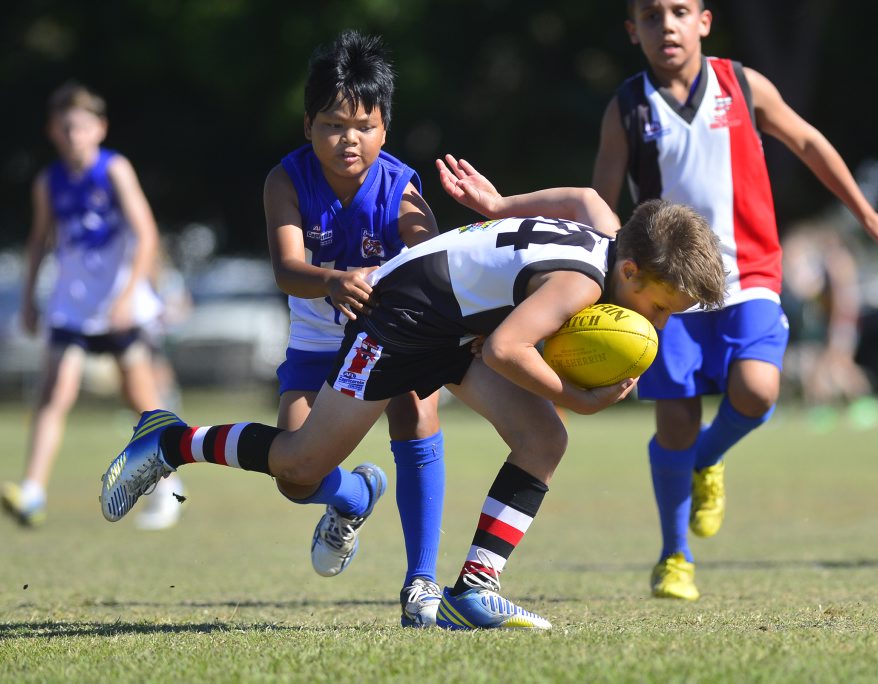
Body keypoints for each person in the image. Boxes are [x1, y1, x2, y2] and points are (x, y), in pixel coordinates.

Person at [99, 154, 727, 630]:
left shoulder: (610, 231)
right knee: (300, 463)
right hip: (400, 315)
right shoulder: (582, 283)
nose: (658, 323)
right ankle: (172, 439)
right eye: (661, 306)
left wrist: (501, 205)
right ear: (628, 271)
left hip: (450, 321)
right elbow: (509, 349)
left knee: (541, 440)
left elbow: (586, 196)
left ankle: (474, 590)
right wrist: (579, 396)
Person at [590, 0, 878, 601]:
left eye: (680, 11)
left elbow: (808, 141)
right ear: (631, 30)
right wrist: (603, 292)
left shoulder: (741, 84)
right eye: (651, 15)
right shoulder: (627, 107)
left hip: (750, 274)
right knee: (676, 421)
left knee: (758, 389)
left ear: (704, 22)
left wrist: (867, 215)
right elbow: (600, 206)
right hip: (671, 292)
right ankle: (675, 556)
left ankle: (707, 460)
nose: (667, 24)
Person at [264, 31, 446, 627]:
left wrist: (397, 279)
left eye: (363, 125)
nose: (349, 139)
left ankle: (421, 582)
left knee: (416, 412)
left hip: (391, 333)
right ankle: (355, 496)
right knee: (294, 473)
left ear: (384, 129)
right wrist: (335, 280)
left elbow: (432, 259)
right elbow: (289, 271)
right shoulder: (286, 181)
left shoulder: (402, 189)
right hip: (317, 339)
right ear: (309, 126)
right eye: (333, 124)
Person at [2, 81, 185, 530]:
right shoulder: (49, 182)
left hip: (119, 305)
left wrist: (127, 297)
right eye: (64, 127)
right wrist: (27, 299)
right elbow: (39, 240)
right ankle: (33, 490)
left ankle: (167, 490)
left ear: (99, 129)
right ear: (52, 131)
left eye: (81, 127)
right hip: (73, 307)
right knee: (53, 394)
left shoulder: (115, 170)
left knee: (141, 398)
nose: (72, 135)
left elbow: (146, 233)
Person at [781, 222, 878, 432]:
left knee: (840, 363)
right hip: (836, 321)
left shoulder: (838, 261)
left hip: (842, 321)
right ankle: (825, 408)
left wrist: (835, 325)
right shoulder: (831, 263)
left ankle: (864, 404)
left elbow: (840, 299)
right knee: (829, 364)